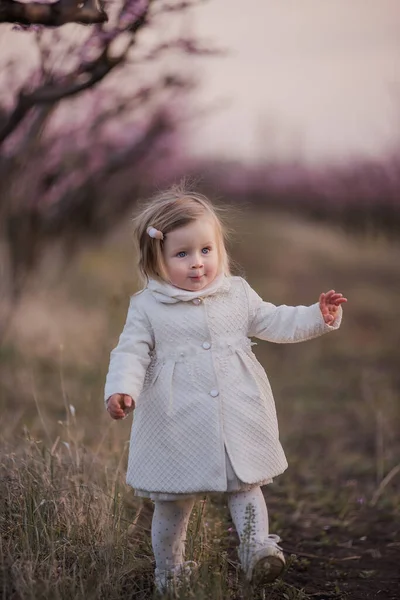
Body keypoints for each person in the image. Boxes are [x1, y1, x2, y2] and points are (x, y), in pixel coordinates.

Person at [104, 182, 347, 592]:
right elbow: (130, 351)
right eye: (182, 254)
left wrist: (316, 315)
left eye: (206, 251)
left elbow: (274, 321)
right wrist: (121, 389)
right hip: (175, 417)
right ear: (157, 259)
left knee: (246, 482)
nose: (197, 263)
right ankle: (170, 572)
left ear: (219, 250)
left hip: (236, 411)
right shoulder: (147, 306)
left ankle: (256, 548)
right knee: (172, 499)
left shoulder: (236, 294)